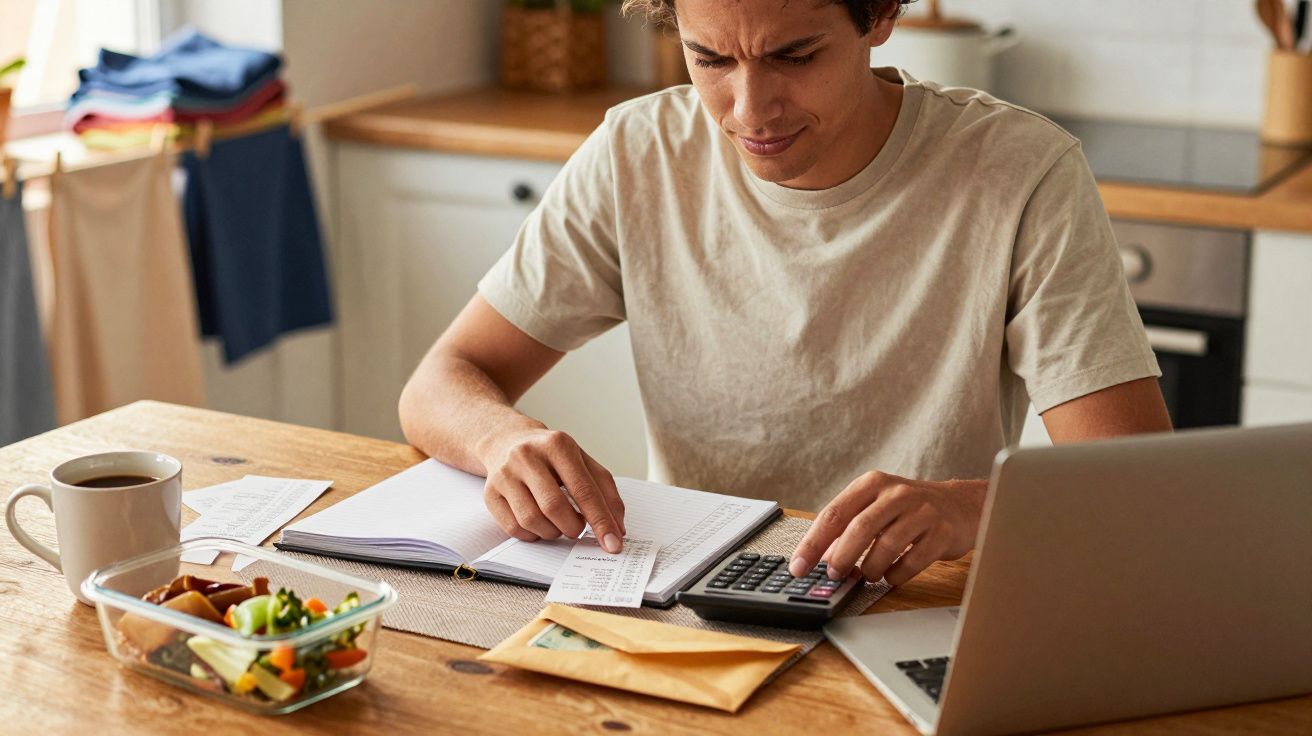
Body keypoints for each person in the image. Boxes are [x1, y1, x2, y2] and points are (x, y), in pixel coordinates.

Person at [397, 0, 1172, 587]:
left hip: (914, 598)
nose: (749, 110)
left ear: (880, 16)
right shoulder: (638, 154)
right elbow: (439, 384)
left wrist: (970, 507)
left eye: (795, 57)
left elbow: (1132, 483)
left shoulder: (1020, 172)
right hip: (685, 594)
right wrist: (503, 440)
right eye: (709, 59)